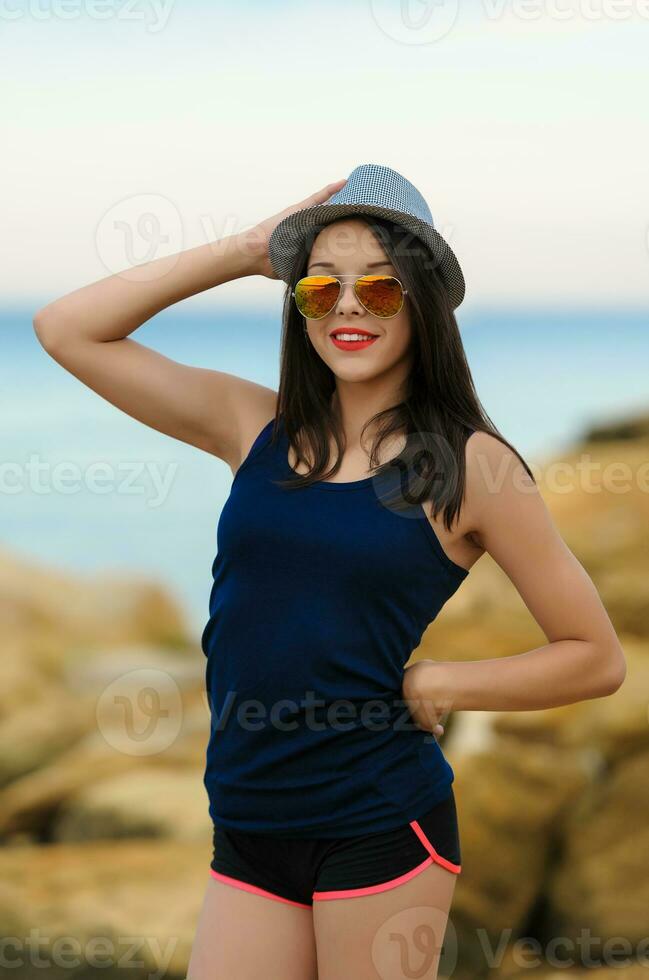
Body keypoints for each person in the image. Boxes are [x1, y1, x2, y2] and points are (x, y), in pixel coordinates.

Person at [33, 163, 626, 980]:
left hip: (378, 820)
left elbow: (595, 655)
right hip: (247, 818)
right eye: (320, 289)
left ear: (421, 302)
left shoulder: (470, 466)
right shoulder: (253, 426)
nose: (347, 307)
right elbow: (68, 329)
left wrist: (445, 683)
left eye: (379, 290)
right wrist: (246, 250)